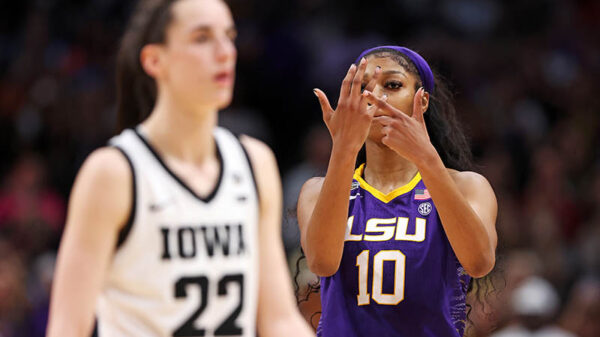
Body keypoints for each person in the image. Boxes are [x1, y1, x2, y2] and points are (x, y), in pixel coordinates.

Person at [46, 0, 314, 336]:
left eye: (229, 36)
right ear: (155, 60)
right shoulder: (113, 174)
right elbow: (67, 329)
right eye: (202, 38)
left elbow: (278, 319)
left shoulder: (254, 163)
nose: (224, 51)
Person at [297, 46, 498, 336]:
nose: (375, 97)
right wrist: (344, 148)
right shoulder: (316, 191)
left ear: (423, 100)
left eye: (392, 85)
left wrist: (426, 158)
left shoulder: (467, 186)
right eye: (362, 88)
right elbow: (322, 262)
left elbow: (479, 263)